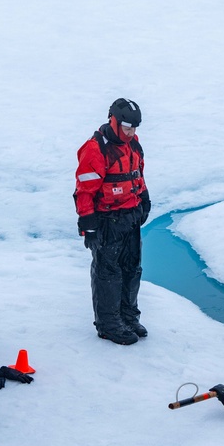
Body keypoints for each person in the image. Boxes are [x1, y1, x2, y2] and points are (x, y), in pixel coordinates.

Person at [73, 98, 150, 345]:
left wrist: (144, 197)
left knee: (132, 269)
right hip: (107, 220)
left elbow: (138, 173)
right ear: (113, 121)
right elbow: (84, 191)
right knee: (109, 273)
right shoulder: (95, 149)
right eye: (127, 127)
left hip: (131, 215)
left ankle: (128, 316)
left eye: (134, 128)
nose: (131, 133)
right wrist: (89, 224)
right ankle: (108, 324)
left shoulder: (134, 144)